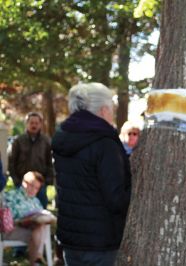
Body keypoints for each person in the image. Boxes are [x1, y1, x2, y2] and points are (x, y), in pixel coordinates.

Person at [51, 82, 132, 265]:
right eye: (112, 108)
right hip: (101, 240)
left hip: (71, 237)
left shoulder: (62, 138)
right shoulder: (105, 143)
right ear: (104, 110)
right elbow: (116, 198)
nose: (113, 113)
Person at [8, 112, 54, 209]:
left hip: (40, 185)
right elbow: (11, 162)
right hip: (22, 184)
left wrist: (47, 180)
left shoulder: (46, 141)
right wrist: (16, 181)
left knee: (40, 212)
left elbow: (50, 162)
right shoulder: (18, 141)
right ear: (27, 123)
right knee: (22, 212)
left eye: (36, 123)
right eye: (31, 123)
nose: (34, 125)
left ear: (40, 124)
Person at [4, 171, 48, 265]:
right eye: (31, 186)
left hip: (32, 230)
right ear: (24, 182)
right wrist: (26, 220)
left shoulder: (36, 201)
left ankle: (36, 259)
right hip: (13, 230)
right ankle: (37, 258)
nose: (33, 190)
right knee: (38, 232)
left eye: (36, 188)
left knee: (40, 228)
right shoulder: (11, 196)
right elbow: (8, 220)